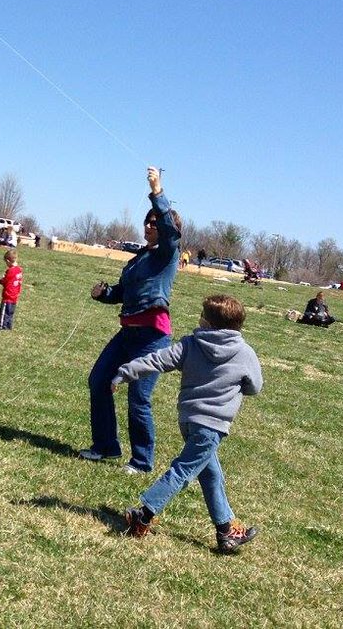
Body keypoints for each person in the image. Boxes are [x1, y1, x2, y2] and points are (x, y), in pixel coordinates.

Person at [118, 294, 263, 554]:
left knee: (211, 474)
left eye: (202, 315)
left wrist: (126, 371)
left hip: (188, 421)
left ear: (207, 323)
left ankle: (225, 531)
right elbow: (254, 387)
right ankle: (143, 514)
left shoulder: (190, 344)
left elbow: (158, 360)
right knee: (184, 470)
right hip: (213, 427)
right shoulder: (245, 353)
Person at [84, 166, 182, 474]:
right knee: (98, 380)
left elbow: (169, 229)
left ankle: (142, 461)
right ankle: (105, 446)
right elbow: (122, 294)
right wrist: (104, 293)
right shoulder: (138, 259)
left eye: (155, 222)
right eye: (147, 222)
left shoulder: (167, 253)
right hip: (127, 335)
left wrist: (157, 193)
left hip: (152, 338)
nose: (150, 225)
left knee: (139, 397)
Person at [0, 249, 24, 331]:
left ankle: (2, 325)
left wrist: (0, 281)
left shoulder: (10, 271)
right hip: (15, 296)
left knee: (4, 312)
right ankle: (9, 326)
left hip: (8, 295)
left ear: (8, 261)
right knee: (10, 313)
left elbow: (6, 281)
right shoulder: (19, 270)